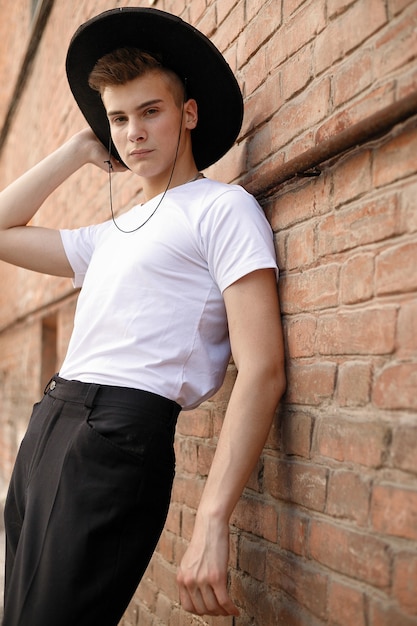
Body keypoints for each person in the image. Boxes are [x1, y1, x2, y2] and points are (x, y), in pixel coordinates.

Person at [0, 7, 285, 626]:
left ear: (188, 113)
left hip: (118, 435)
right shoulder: (108, 235)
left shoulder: (222, 210)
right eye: (118, 119)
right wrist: (76, 149)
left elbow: (263, 369)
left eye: (150, 112)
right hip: (50, 425)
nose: (133, 134)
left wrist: (212, 517)